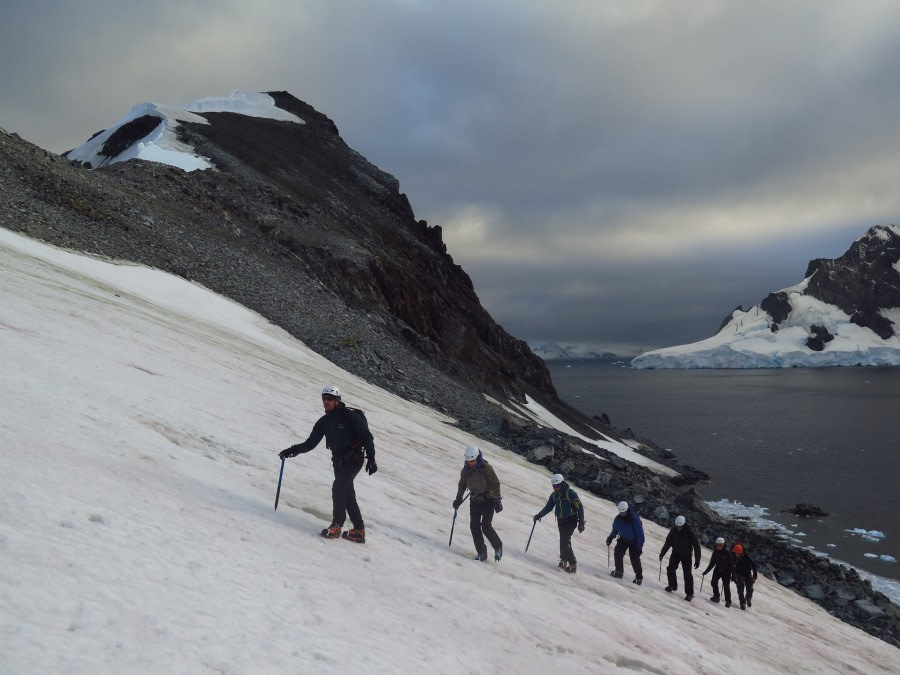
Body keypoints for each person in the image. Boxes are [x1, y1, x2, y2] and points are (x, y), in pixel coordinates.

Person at [279, 385, 377, 543]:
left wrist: (371, 458)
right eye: (324, 398)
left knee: (338, 487)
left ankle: (337, 525)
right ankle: (359, 531)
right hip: (338, 461)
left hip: (354, 460)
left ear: (337, 400)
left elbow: (367, 436)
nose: (326, 401)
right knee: (347, 494)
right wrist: (291, 450)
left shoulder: (349, 416)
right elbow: (310, 443)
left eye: (329, 398)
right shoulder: (324, 422)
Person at [453, 444, 503, 562]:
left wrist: (497, 500)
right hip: (474, 500)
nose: (470, 463)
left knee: (486, 526)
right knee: (474, 526)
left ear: (478, 457)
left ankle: (498, 547)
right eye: (468, 461)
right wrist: (458, 498)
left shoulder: (486, 468)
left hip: (488, 500)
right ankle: (482, 552)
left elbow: (495, 483)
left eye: (473, 461)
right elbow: (462, 484)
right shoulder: (465, 471)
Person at [533, 474, 585, 574]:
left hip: (571, 520)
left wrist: (581, 522)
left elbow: (580, 507)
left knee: (564, 541)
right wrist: (539, 515)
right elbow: (548, 507)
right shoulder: (554, 495)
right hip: (561, 521)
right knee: (564, 540)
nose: (555, 488)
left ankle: (572, 563)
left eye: (557, 486)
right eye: (554, 486)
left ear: (562, 483)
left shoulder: (570, 493)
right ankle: (564, 560)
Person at [659, 515, 701, 601]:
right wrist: (662, 554)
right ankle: (672, 586)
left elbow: (696, 546)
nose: (679, 528)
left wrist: (697, 560)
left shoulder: (689, 532)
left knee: (687, 575)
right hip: (676, 553)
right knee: (670, 568)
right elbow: (668, 543)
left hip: (687, 555)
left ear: (683, 525)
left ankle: (689, 594)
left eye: (680, 526)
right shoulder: (673, 531)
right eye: (677, 526)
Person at [605, 501, 644, 584]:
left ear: (626, 510)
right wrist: (611, 537)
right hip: (623, 539)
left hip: (634, 541)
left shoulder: (634, 519)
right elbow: (615, 529)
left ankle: (639, 578)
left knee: (634, 558)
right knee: (618, 552)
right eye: (620, 512)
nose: (622, 514)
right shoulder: (618, 519)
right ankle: (619, 572)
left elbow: (640, 534)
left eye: (623, 512)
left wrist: (639, 547)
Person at [702, 536, 736, 607]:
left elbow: (732, 564)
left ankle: (728, 601)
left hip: (726, 571)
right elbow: (712, 563)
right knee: (713, 582)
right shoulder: (715, 552)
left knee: (726, 586)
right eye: (718, 545)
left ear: (723, 545)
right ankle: (716, 596)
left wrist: (733, 575)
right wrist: (706, 572)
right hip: (717, 570)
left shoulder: (727, 553)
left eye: (721, 545)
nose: (719, 546)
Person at [732, 543, 758, 610]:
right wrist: (733, 576)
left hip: (747, 574)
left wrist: (755, 575)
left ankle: (748, 598)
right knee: (740, 590)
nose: (736, 554)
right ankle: (742, 603)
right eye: (736, 553)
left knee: (750, 589)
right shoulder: (734, 557)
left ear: (741, 552)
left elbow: (754, 565)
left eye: (738, 553)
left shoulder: (746, 557)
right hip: (739, 575)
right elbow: (732, 567)